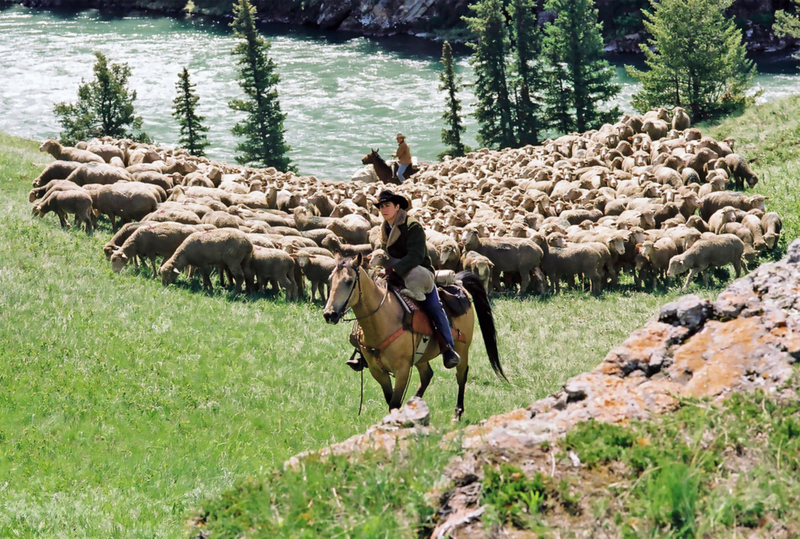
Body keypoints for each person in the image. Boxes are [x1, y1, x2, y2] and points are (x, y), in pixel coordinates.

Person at [347, 189, 461, 371]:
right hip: (392, 272)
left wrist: (394, 270)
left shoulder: (412, 226)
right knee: (369, 300)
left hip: (418, 273)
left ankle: (448, 348)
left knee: (434, 306)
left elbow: (417, 255)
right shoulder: (385, 227)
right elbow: (385, 251)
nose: (384, 209)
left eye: (387, 206)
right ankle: (363, 351)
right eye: (381, 206)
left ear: (397, 206)